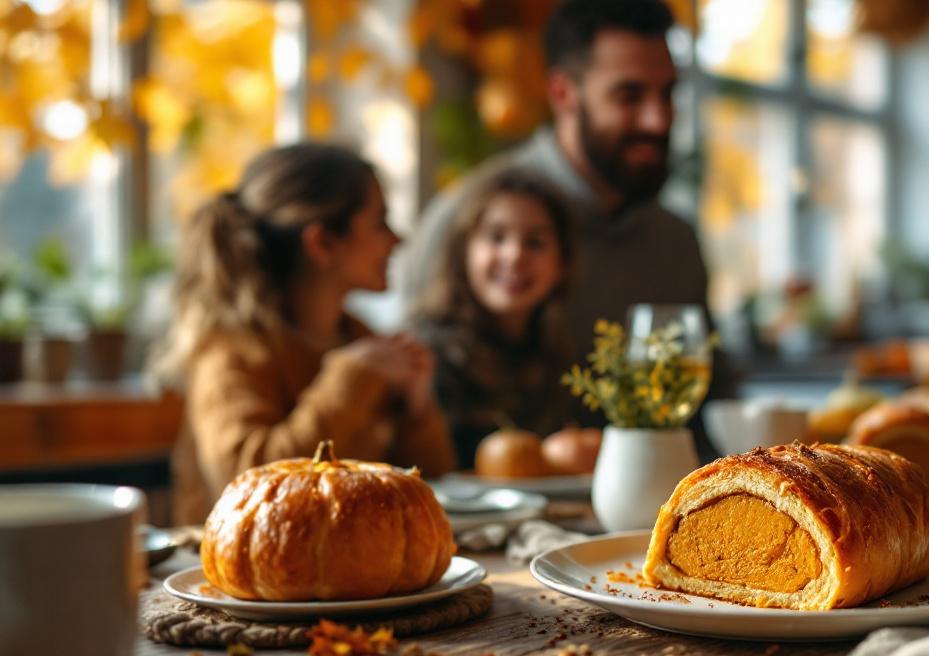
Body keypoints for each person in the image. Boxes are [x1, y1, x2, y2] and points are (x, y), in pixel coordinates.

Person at [151, 143, 455, 524]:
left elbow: (433, 487)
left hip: (348, 568)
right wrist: (348, 378)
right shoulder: (233, 350)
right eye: (380, 222)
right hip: (237, 577)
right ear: (322, 242)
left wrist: (416, 409)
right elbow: (246, 487)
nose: (399, 240)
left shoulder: (358, 339)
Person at [403, 0, 708, 364]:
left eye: (668, 94)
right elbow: (409, 394)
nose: (658, 121)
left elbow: (710, 393)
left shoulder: (675, 245)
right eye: (629, 96)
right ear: (563, 94)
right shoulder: (470, 222)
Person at [411, 169, 576, 466]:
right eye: (496, 237)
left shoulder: (561, 357)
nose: (514, 255)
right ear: (464, 252)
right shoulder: (422, 354)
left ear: (562, 263)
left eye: (535, 242)